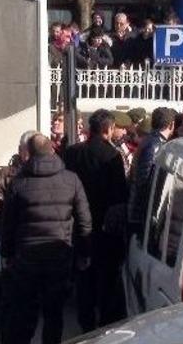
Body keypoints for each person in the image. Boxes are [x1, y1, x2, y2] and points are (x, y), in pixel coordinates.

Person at [2, 134, 92, 344]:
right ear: (52, 149)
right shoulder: (71, 180)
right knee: (54, 313)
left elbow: (9, 224)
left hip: (27, 258)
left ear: (29, 152)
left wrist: (7, 253)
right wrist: (84, 252)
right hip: (59, 255)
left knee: (25, 312)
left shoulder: (19, 183)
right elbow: (84, 220)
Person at [63, 110, 128, 332]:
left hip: (77, 224)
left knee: (84, 278)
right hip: (104, 227)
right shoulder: (113, 156)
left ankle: (86, 323)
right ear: (108, 129)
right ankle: (104, 323)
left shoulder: (72, 153)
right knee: (106, 278)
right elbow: (120, 195)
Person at [0, 130, 37, 344]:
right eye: (27, 150)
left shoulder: (48, 174)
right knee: (10, 301)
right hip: (12, 249)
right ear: (20, 150)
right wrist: (6, 235)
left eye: (33, 149)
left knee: (31, 302)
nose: (30, 154)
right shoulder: (5, 175)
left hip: (36, 249)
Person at [127, 107, 176, 239]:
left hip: (140, 210)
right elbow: (144, 179)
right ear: (171, 124)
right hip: (142, 212)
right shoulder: (155, 144)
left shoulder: (150, 140)